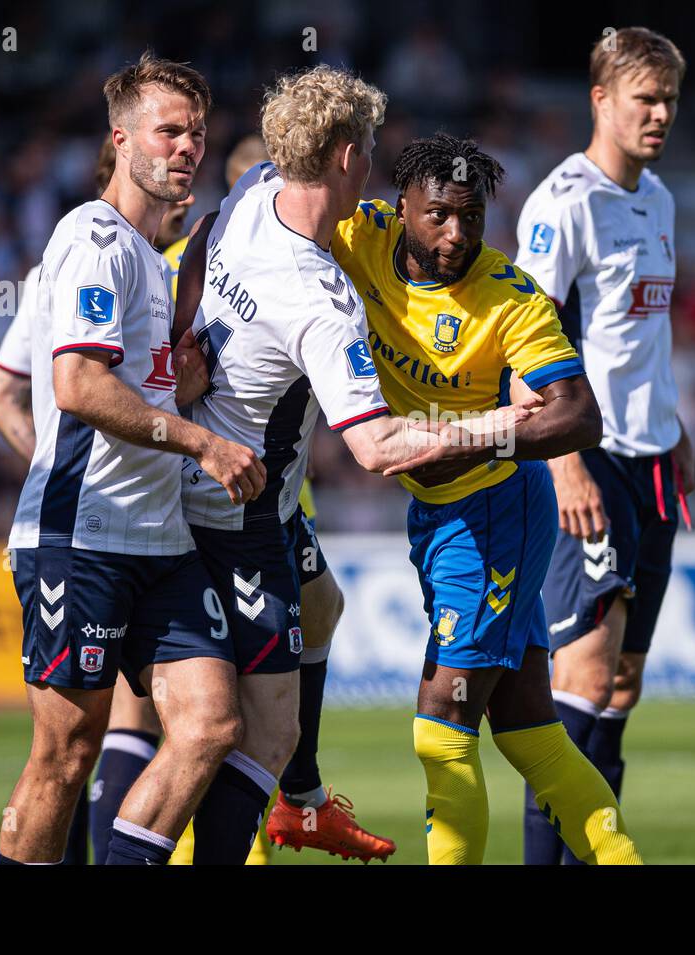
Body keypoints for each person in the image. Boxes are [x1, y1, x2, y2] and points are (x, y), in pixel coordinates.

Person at [170, 67, 511, 864]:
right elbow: (375, 446)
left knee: (322, 605)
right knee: (252, 728)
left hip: (254, 495)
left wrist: (183, 338)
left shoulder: (257, 188)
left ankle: (304, 801)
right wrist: (495, 426)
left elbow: (205, 230)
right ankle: (227, 834)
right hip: (236, 512)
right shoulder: (321, 298)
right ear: (346, 158)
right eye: (371, 149)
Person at [330, 131, 643, 864]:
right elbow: (259, 205)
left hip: (496, 511)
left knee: (441, 718)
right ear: (400, 206)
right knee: (529, 726)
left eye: (471, 217)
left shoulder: (508, 294)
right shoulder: (362, 234)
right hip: (439, 513)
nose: (456, 234)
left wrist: (462, 439)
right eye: (439, 214)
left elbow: (577, 415)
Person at [0, 52, 265, 866]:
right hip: (82, 538)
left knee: (212, 724)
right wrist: (203, 437)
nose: (187, 146)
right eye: (169, 131)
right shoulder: (91, 235)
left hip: (159, 539)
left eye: (196, 133)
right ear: (122, 139)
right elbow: (77, 386)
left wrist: (180, 392)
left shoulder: (152, 258)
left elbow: (131, 392)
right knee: (66, 756)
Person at [514, 26, 695, 864]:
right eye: (644, 99)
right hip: (594, 462)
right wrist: (563, 461)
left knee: (623, 683)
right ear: (600, 100)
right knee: (579, 682)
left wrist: (677, 426)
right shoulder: (563, 204)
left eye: (667, 100)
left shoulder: (657, 199)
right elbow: (527, 344)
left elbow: (637, 338)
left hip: (655, 460)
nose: (659, 115)